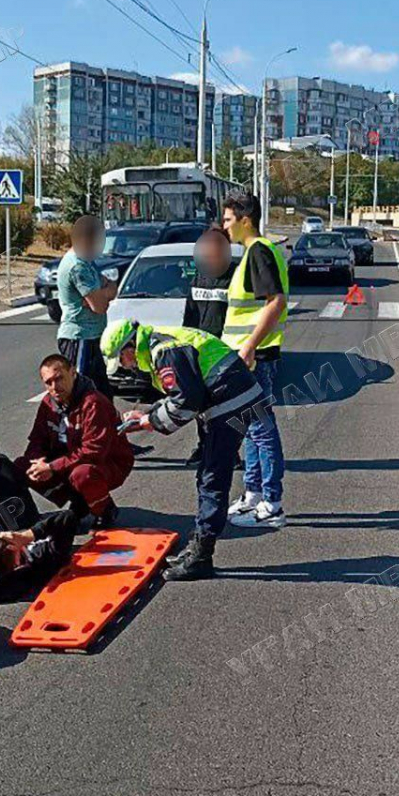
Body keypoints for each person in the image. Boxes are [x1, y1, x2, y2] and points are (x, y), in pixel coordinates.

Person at [100, 320, 263, 581]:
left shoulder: (163, 350)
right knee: (208, 475)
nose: (125, 365)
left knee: (212, 478)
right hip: (230, 400)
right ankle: (198, 546)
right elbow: (182, 393)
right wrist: (147, 412)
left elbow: (187, 402)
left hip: (229, 405)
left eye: (122, 358)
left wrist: (147, 422)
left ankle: (201, 556)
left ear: (130, 345)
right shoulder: (161, 343)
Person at [0, 354, 134, 530]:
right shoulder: (48, 402)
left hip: (107, 463)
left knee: (82, 474)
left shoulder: (93, 403)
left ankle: (105, 509)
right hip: (69, 459)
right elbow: (37, 439)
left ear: (73, 372)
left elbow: (94, 452)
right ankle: (78, 503)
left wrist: (53, 467)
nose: (55, 387)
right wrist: (37, 461)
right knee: (24, 466)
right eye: (48, 383)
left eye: (59, 378)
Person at [221, 192, 289, 529]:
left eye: (228, 219)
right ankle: (252, 493)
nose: (224, 226)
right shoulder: (252, 254)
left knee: (262, 429)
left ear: (245, 219)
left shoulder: (259, 251)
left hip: (255, 357)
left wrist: (248, 346)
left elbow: (274, 302)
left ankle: (272, 500)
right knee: (251, 428)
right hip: (245, 357)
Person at [182, 226, 238, 467]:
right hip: (199, 351)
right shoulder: (199, 276)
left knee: (225, 406)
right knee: (201, 405)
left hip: (224, 352)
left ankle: (229, 451)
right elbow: (190, 315)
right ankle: (203, 446)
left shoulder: (235, 276)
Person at [56, 214, 118, 399]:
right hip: (80, 337)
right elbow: (99, 306)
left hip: (92, 336)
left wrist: (101, 292)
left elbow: (113, 287)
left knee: (103, 396)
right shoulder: (77, 266)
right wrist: (100, 294)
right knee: (81, 395)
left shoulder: (86, 262)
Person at [0, 506, 80, 580]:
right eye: (7, 537)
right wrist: (27, 536)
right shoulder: (47, 555)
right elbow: (68, 517)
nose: (10, 534)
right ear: (11, 548)